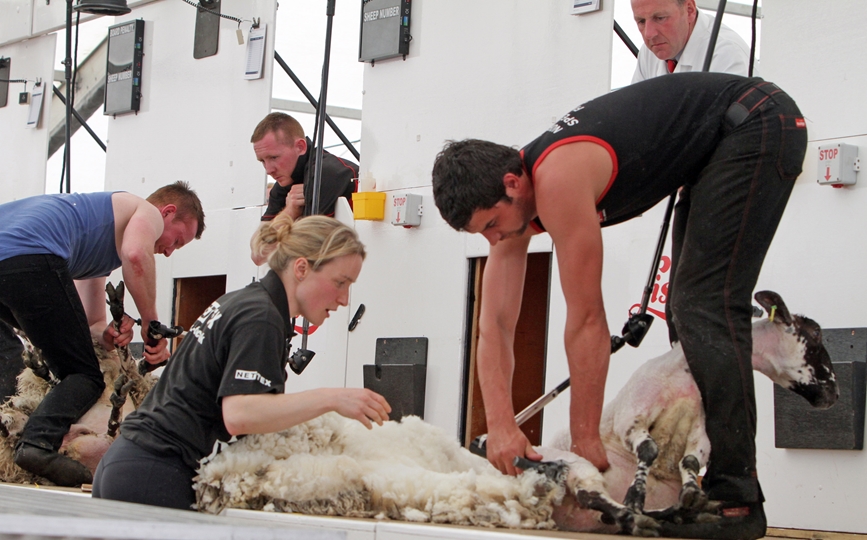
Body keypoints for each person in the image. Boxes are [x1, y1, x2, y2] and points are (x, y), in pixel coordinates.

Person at [431, 73, 807, 540]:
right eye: (481, 235)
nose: (495, 240)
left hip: (757, 121)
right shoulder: (512, 207)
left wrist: (586, 436)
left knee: (703, 306)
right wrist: (503, 428)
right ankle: (698, 489)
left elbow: (587, 318)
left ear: (513, 183)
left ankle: (736, 501)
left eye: (491, 224)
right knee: (686, 315)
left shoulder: (557, 180)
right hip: (717, 146)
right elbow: (497, 328)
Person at [93, 214, 391, 510]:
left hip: (129, 464)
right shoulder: (261, 317)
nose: (344, 299)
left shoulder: (242, 302)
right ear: (301, 268)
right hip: (155, 474)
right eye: (340, 282)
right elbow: (240, 413)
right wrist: (332, 398)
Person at [0, 182, 206, 487]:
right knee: (84, 375)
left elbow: (90, 323)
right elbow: (137, 256)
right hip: (29, 255)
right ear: (167, 212)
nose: (168, 251)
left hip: (14, 259)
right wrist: (153, 329)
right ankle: (36, 445)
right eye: (177, 240)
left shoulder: (97, 241)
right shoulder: (144, 209)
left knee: (35, 361)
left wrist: (107, 335)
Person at [250, 112, 359, 265]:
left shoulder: (326, 172)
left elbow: (308, 251)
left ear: (300, 147)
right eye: (262, 161)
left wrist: (285, 221)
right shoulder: (283, 183)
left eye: (274, 157)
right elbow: (258, 255)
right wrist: (290, 211)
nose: (268, 170)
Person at [631, 0, 750, 83]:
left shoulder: (728, 55)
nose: (649, 34)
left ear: (689, 10)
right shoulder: (648, 52)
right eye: (641, 21)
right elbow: (634, 112)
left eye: (660, 18)